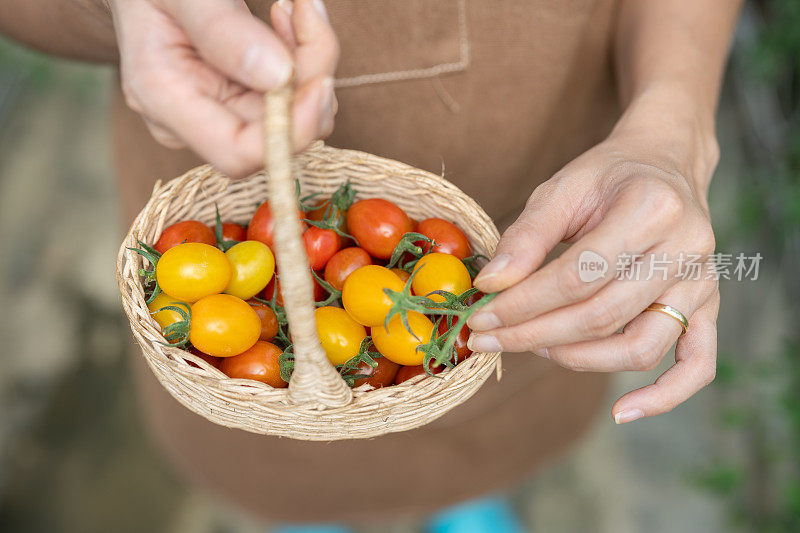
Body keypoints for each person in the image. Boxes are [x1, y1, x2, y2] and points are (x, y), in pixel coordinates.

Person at [0, 0, 743, 530]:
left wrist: (674, 127)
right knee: (284, 456)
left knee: (493, 373)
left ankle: (455, 499)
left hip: (540, 163)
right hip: (231, 169)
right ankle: (313, 515)